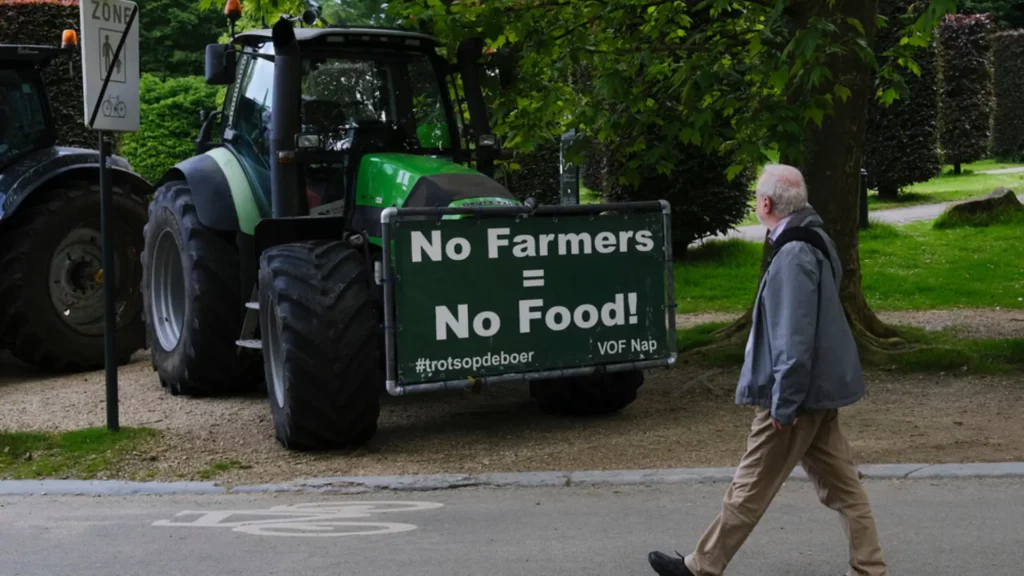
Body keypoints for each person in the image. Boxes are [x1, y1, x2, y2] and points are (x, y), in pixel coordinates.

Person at [648, 164, 888, 576]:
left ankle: (700, 567)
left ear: (765, 204)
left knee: (750, 484)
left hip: (795, 395)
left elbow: (795, 340)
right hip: (818, 390)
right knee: (844, 486)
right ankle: (870, 568)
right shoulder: (817, 239)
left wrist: (783, 404)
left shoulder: (794, 253)